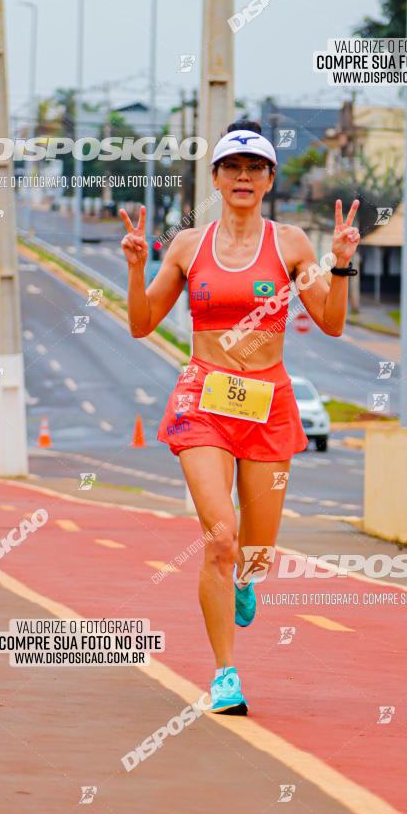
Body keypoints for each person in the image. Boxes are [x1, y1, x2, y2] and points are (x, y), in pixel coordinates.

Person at [120, 119, 360, 715]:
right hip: (203, 397)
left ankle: (247, 580)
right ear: (219, 177)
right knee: (220, 537)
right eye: (233, 167)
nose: (244, 177)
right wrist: (132, 267)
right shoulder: (186, 247)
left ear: (270, 179)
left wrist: (342, 264)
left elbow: (330, 322)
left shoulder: (293, 245)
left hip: (267, 403)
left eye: (256, 168)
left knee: (254, 550)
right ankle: (226, 673)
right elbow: (142, 323)